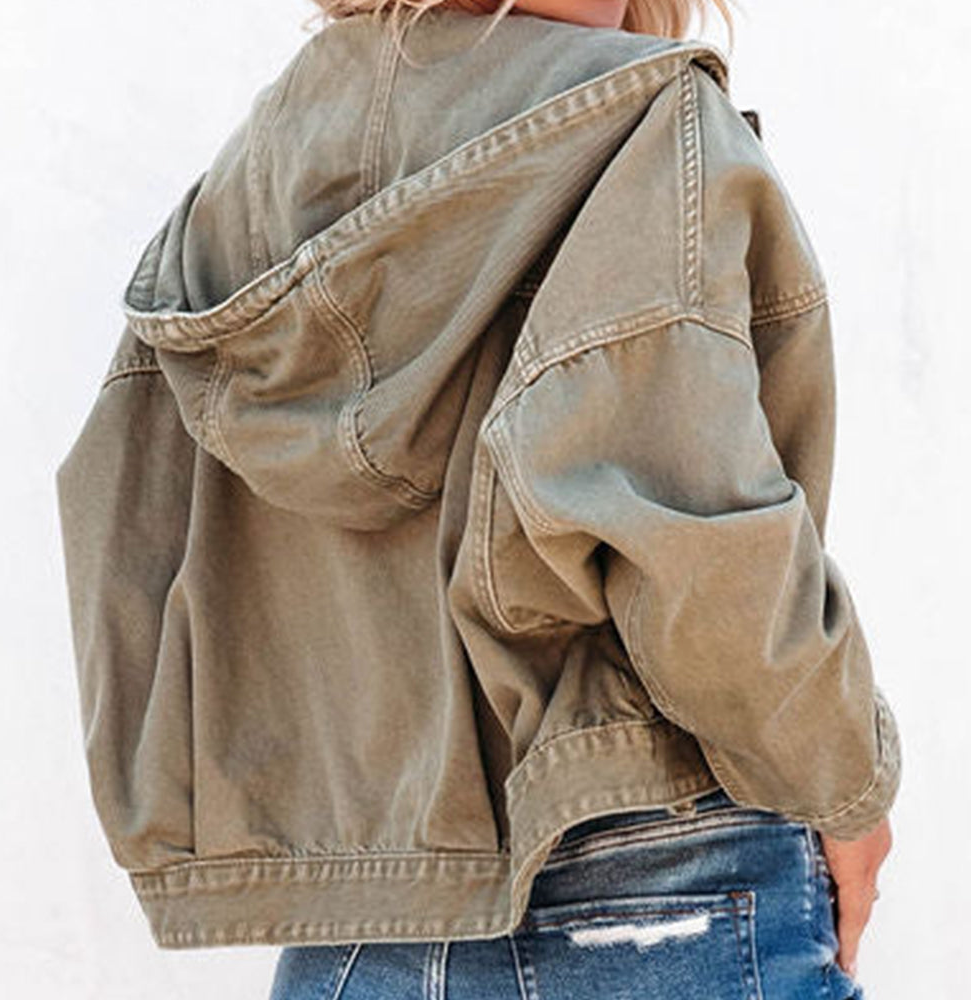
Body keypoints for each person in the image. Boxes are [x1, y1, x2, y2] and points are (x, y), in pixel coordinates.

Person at [54, 0, 901, 997]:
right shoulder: (644, 127)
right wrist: (844, 785)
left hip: (356, 918)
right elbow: (697, 536)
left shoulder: (247, 180)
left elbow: (126, 522)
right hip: (659, 875)